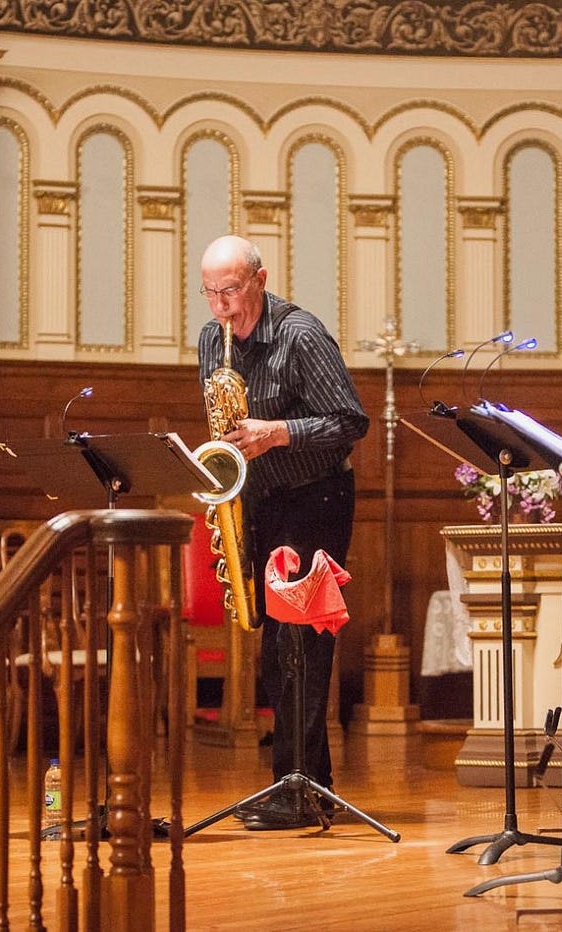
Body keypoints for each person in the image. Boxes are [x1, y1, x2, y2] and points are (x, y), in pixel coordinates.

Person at [195, 234, 368, 830]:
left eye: (231, 290)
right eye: (210, 293)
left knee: (301, 647)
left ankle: (297, 792)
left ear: (260, 281)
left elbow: (350, 422)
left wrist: (278, 432)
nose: (221, 306)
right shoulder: (211, 341)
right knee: (277, 650)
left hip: (316, 498)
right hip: (261, 501)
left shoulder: (301, 335)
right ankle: (309, 787)